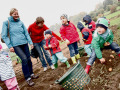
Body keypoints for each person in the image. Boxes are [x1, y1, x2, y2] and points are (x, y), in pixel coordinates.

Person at [1, 8, 39, 86]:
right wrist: (10, 46)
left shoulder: (20, 22)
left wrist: (30, 43)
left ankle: (31, 74)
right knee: (24, 59)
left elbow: (26, 33)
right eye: (14, 14)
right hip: (15, 45)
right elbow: (4, 36)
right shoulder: (6, 23)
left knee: (28, 59)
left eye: (17, 13)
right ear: (11, 14)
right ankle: (28, 78)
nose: (16, 15)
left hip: (24, 43)